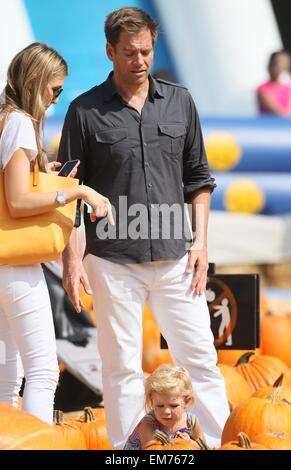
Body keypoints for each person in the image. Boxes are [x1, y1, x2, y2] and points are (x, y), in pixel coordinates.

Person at [58, 7, 229, 448]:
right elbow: (72, 195)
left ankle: (217, 443)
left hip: (178, 258)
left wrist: (202, 245)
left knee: (201, 360)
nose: (140, 60)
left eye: (146, 51)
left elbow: (200, 180)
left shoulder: (180, 101)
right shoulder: (84, 111)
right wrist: (73, 260)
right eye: (130, 52)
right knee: (121, 367)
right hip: (113, 262)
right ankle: (128, 453)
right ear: (110, 51)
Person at [0, 42, 112, 425]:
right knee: (43, 372)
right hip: (16, 265)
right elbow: (16, 201)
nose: (56, 98)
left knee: (7, 379)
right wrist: (74, 190)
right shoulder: (19, 123)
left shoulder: (4, 119)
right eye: (55, 89)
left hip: (5, 265)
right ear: (36, 82)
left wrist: (48, 180)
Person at [124, 364, 206, 450]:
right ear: (152, 401)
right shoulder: (147, 425)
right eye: (160, 406)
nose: (166, 411)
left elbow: (203, 447)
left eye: (173, 406)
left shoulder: (191, 422)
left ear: (187, 401)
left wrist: (191, 443)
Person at [256, 50, 291, 117]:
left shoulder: (288, 88)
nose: (280, 68)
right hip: (268, 126)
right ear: (269, 66)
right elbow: (278, 112)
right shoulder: (263, 89)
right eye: (277, 64)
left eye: (285, 64)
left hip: (285, 126)